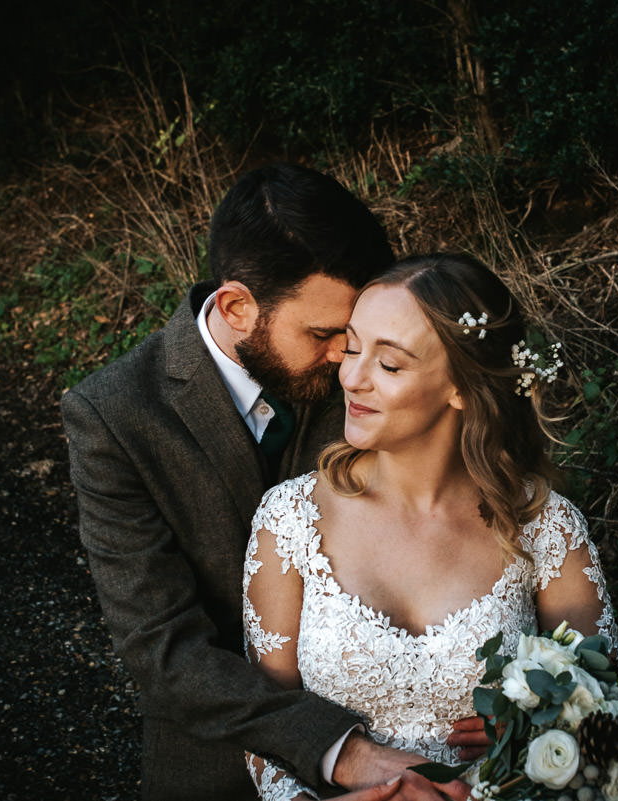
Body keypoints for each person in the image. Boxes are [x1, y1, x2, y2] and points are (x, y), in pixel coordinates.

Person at [62, 165, 486, 801]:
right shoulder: (117, 415)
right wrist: (342, 751)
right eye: (325, 337)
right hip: (215, 763)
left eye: (360, 336)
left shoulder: (365, 378)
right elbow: (163, 648)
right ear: (237, 307)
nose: (348, 366)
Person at [242, 253, 618, 800]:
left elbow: (610, 712)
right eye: (352, 347)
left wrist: (534, 737)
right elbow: (262, 724)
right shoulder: (290, 521)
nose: (351, 376)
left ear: (462, 389)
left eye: (389, 365)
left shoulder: (545, 528)